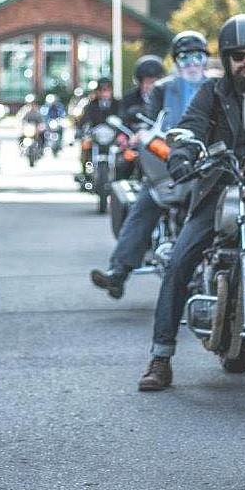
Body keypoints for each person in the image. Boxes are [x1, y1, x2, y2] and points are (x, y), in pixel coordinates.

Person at [137, 14, 245, 391]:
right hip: (220, 187)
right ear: (229, 60)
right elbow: (189, 126)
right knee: (181, 257)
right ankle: (160, 356)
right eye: (238, 56)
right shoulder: (212, 93)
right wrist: (181, 153)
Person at [90, 34, 211, 297]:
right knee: (146, 203)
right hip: (169, 161)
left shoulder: (217, 85)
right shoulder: (162, 89)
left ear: (206, 58)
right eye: (185, 57)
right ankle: (118, 272)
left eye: (198, 56)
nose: (192, 63)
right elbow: (151, 124)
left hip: (210, 163)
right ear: (176, 61)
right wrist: (144, 136)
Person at [74, 77, 121, 179]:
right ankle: (86, 172)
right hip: (95, 136)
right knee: (85, 145)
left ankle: (122, 175)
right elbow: (84, 120)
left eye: (107, 89)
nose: (104, 93)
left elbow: (124, 118)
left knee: (125, 150)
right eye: (101, 90)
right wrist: (80, 131)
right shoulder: (91, 105)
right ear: (97, 92)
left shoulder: (118, 104)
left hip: (113, 136)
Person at [119, 55, 164, 130]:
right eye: (148, 82)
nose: (151, 86)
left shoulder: (167, 98)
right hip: (134, 138)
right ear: (140, 83)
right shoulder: (129, 98)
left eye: (155, 82)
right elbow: (123, 122)